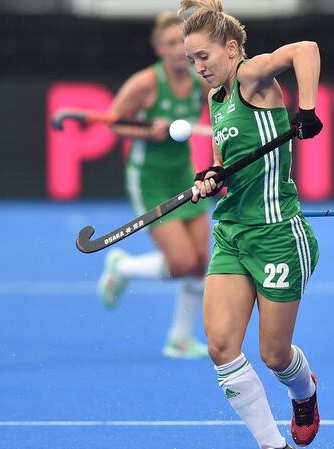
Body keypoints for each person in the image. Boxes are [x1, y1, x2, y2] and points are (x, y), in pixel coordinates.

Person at [179, 1, 324, 448]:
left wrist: (308, 108)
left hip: (277, 233)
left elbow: (307, 49)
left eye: (204, 56)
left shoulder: (251, 75)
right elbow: (223, 163)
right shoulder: (214, 98)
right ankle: (271, 443)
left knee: (275, 355)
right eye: (191, 60)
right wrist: (210, 175)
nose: (198, 67)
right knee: (221, 347)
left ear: (232, 47)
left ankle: (305, 393)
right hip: (232, 232)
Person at [97, 11, 210, 360]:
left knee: (201, 261)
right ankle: (123, 269)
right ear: (159, 47)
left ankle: (179, 339)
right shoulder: (145, 83)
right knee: (180, 262)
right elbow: (112, 123)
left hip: (183, 173)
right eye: (171, 43)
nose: (179, 50)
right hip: (149, 179)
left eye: (183, 43)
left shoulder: (199, 80)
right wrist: (148, 130)